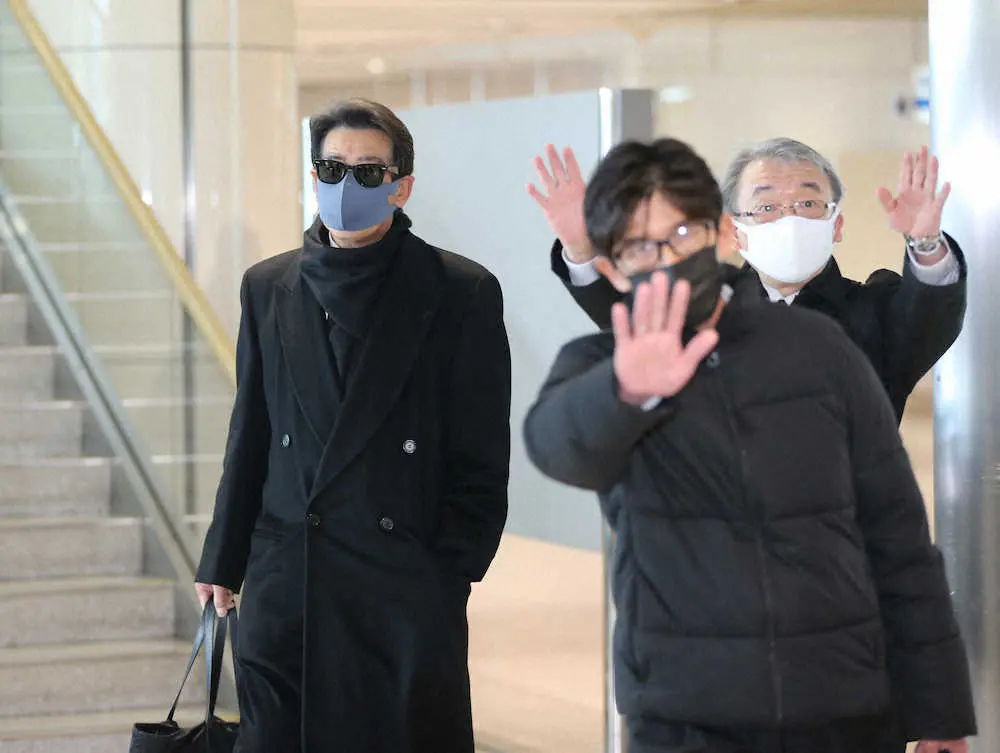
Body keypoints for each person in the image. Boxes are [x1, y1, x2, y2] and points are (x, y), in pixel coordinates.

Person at [523, 137, 975, 753]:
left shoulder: (830, 343)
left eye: (682, 234)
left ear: (716, 236)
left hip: (839, 683)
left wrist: (939, 709)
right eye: (638, 246)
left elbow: (899, 538)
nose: (666, 259)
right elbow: (557, 445)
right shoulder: (612, 363)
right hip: (688, 705)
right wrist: (626, 389)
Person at [194, 98, 512, 753]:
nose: (347, 185)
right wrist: (223, 557)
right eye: (333, 169)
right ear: (314, 176)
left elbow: (481, 453)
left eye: (369, 172)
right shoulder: (268, 286)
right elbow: (251, 432)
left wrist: (446, 573)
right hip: (290, 580)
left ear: (402, 187)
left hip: (400, 589)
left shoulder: (460, 291)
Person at [528, 138, 967, 422]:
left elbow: (928, 314)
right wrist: (582, 248)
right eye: (767, 207)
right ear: (733, 231)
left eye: (808, 204)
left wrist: (925, 241)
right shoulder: (700, 309)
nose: (790, 218)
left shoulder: (876, 313)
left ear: (836, 225)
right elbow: (627, 312)